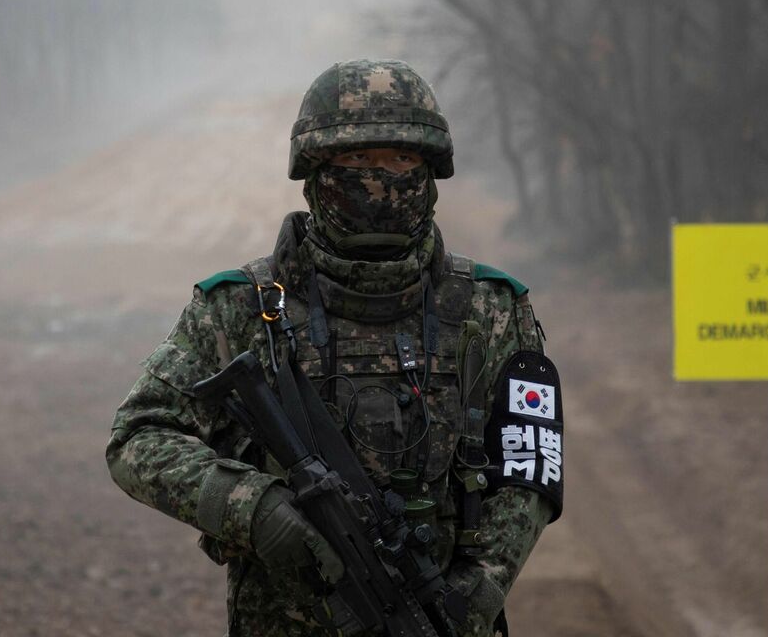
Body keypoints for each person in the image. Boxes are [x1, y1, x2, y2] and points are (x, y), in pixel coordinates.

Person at [107, 59, 564, 636]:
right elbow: (138, 436)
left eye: (402, 160)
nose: (381, 180)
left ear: (431, 170)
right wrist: (254, 509)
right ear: (316, 171)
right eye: (357, 161)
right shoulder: (239, 308)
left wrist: (481, 587)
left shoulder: (493, 311)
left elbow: (529, 465)